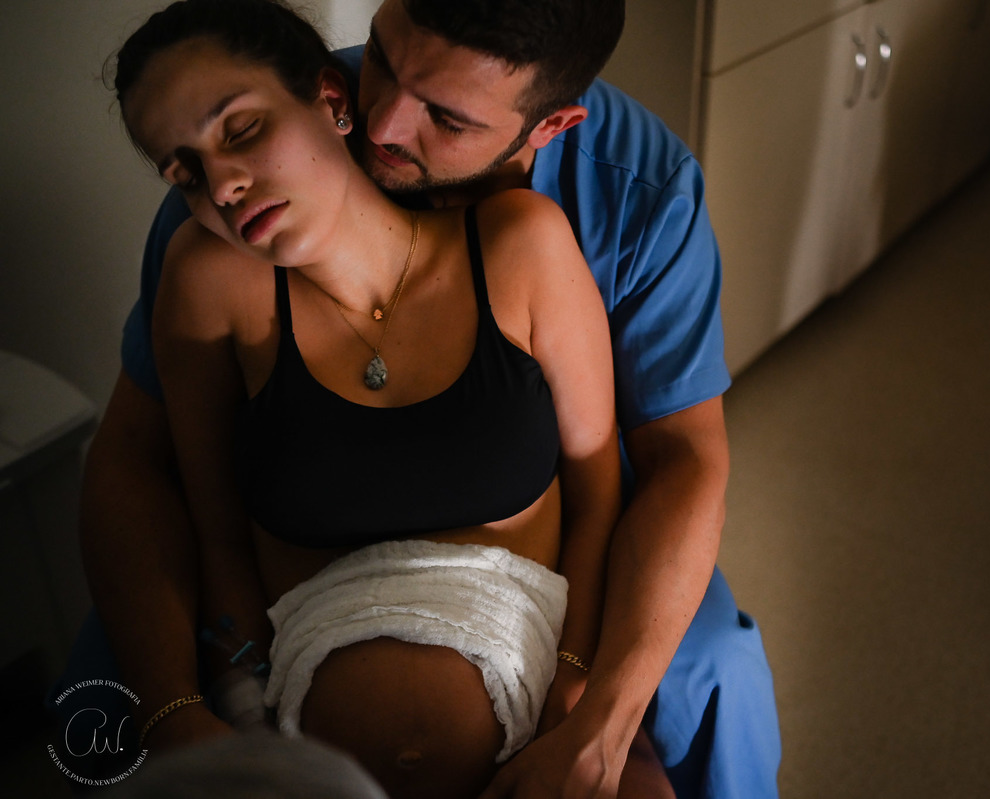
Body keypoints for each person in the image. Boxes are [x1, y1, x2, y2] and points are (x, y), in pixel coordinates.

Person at [68, 1, 781, 796]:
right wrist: (183, 705)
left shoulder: (626, 196)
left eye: (445, 116)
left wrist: (593, 707)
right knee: (97, 697)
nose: (382, 123)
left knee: (710, 664)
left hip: (542, 526)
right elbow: (150, 470)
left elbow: (677, 463)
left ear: (550, 126)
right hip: (305, 611)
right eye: (381, 55)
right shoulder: (238, 182)